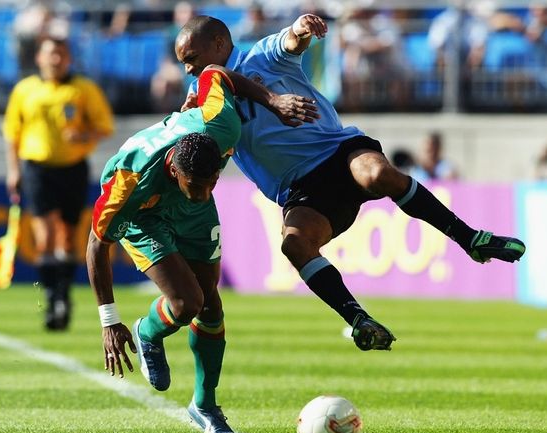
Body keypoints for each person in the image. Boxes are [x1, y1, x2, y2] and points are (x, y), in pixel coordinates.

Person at [176, 15, 526, 352]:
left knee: (377, 175)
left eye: (191, 58)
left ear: (219, 43)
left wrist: (303, 26)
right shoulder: (203, 97)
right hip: (301, 189)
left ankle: (470, 239)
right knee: (295, 245)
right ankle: (359, 320)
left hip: (336, 151)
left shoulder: (261, 56)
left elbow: (291, 41)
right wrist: (189, 119)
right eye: (183, 62)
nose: (188, 69)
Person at [87, 65, 317, 433]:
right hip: (146, 214)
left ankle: (204, 405)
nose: (206, 192)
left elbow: (215, 74)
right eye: (196, 184)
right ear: (174, 171)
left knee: (210, 303)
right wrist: (109, 321)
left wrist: (272, 100)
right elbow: (97, 245)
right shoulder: (129, 183)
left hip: (193, 215)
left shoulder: (222, 126)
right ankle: (148, 332)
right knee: (186, 304)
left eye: (212, 183)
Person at [3, 36, 114, 331]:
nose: (55, 59)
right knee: (44, 237)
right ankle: (51, 297)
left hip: (72, 168)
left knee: (67, 237)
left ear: (69, 59)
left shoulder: (83, 89)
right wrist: (13, 171)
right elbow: (12, 133)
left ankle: (64, 294)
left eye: (61, 54)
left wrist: (83, 136)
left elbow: (104, 126)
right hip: (37, 168)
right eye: (50, 54)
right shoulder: (25, 90)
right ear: (39, 58)